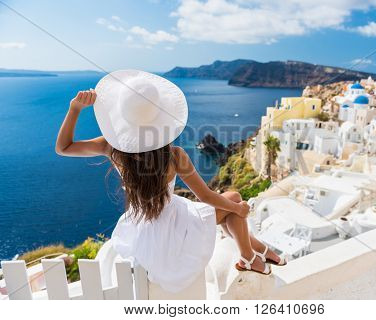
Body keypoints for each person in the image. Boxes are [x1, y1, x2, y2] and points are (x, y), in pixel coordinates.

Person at [55, 70, 285, 293]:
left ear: (122, 114)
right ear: (158, 116)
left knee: (231, 209)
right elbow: (204, 196)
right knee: (233, 200)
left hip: (141, 225)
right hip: (172, 224)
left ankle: (257, 252)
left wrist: (74, 109)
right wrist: (240, 208)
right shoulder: (173, 155)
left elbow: (63, 147)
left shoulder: (111, 148)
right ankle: (249, 256)